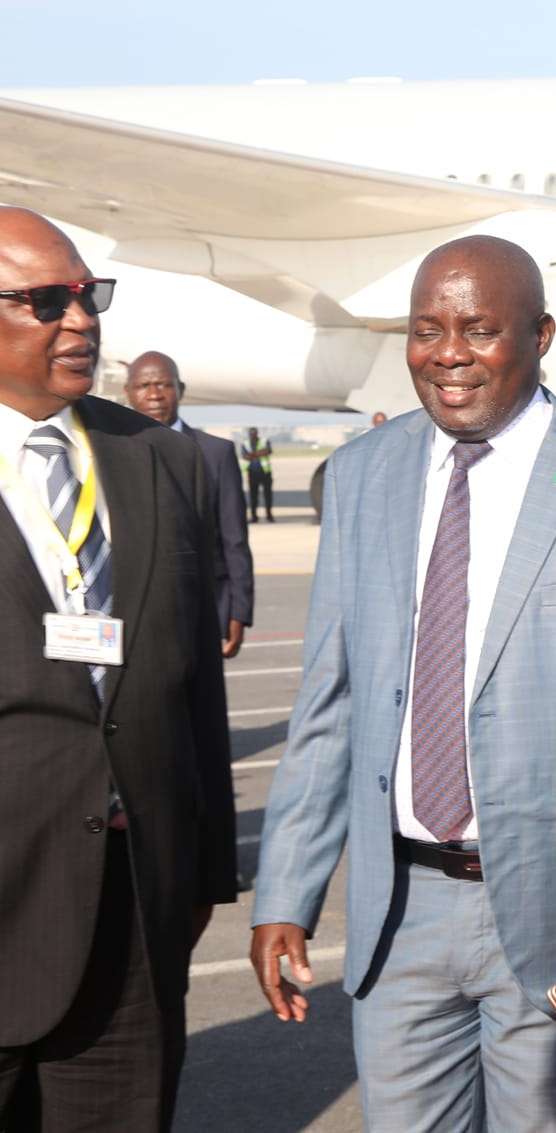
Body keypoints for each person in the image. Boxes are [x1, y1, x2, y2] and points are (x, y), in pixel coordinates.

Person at [249, 237, 556, 1131]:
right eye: (426, 329)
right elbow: (330, 703)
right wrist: (285, 890)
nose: (448, 353)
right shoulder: (359, 475)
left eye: (478, 328)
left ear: (540, 336)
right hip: (401, 915)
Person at [0, 207, 237, 1130]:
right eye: (46, 301)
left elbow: (195, 686)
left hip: (135, 910)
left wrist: (205, 871)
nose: (80, 320)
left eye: (88, 296)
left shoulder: (158, 459)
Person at [124, 351, 254, 659]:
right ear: (128, 392)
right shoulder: (107, 454)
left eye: (163, 384)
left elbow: (235, 540)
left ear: (180, 389)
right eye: (143, 386)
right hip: (134, 613)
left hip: (204, 608)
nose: (155, 395)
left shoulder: (216, 454)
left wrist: (240, 610)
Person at [238, 426, 275, 523]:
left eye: (254, 433)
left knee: (267, 495)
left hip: (265, 472)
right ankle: (254, 516)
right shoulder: (246, 443)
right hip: (252, 472)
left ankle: (269, 515)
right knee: (253, 496)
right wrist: (259, 453)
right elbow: (245, 456)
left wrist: (253, 454)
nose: (252, 435)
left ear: (257, 434)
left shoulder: (264, 441)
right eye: (251, 434)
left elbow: (268, 451)